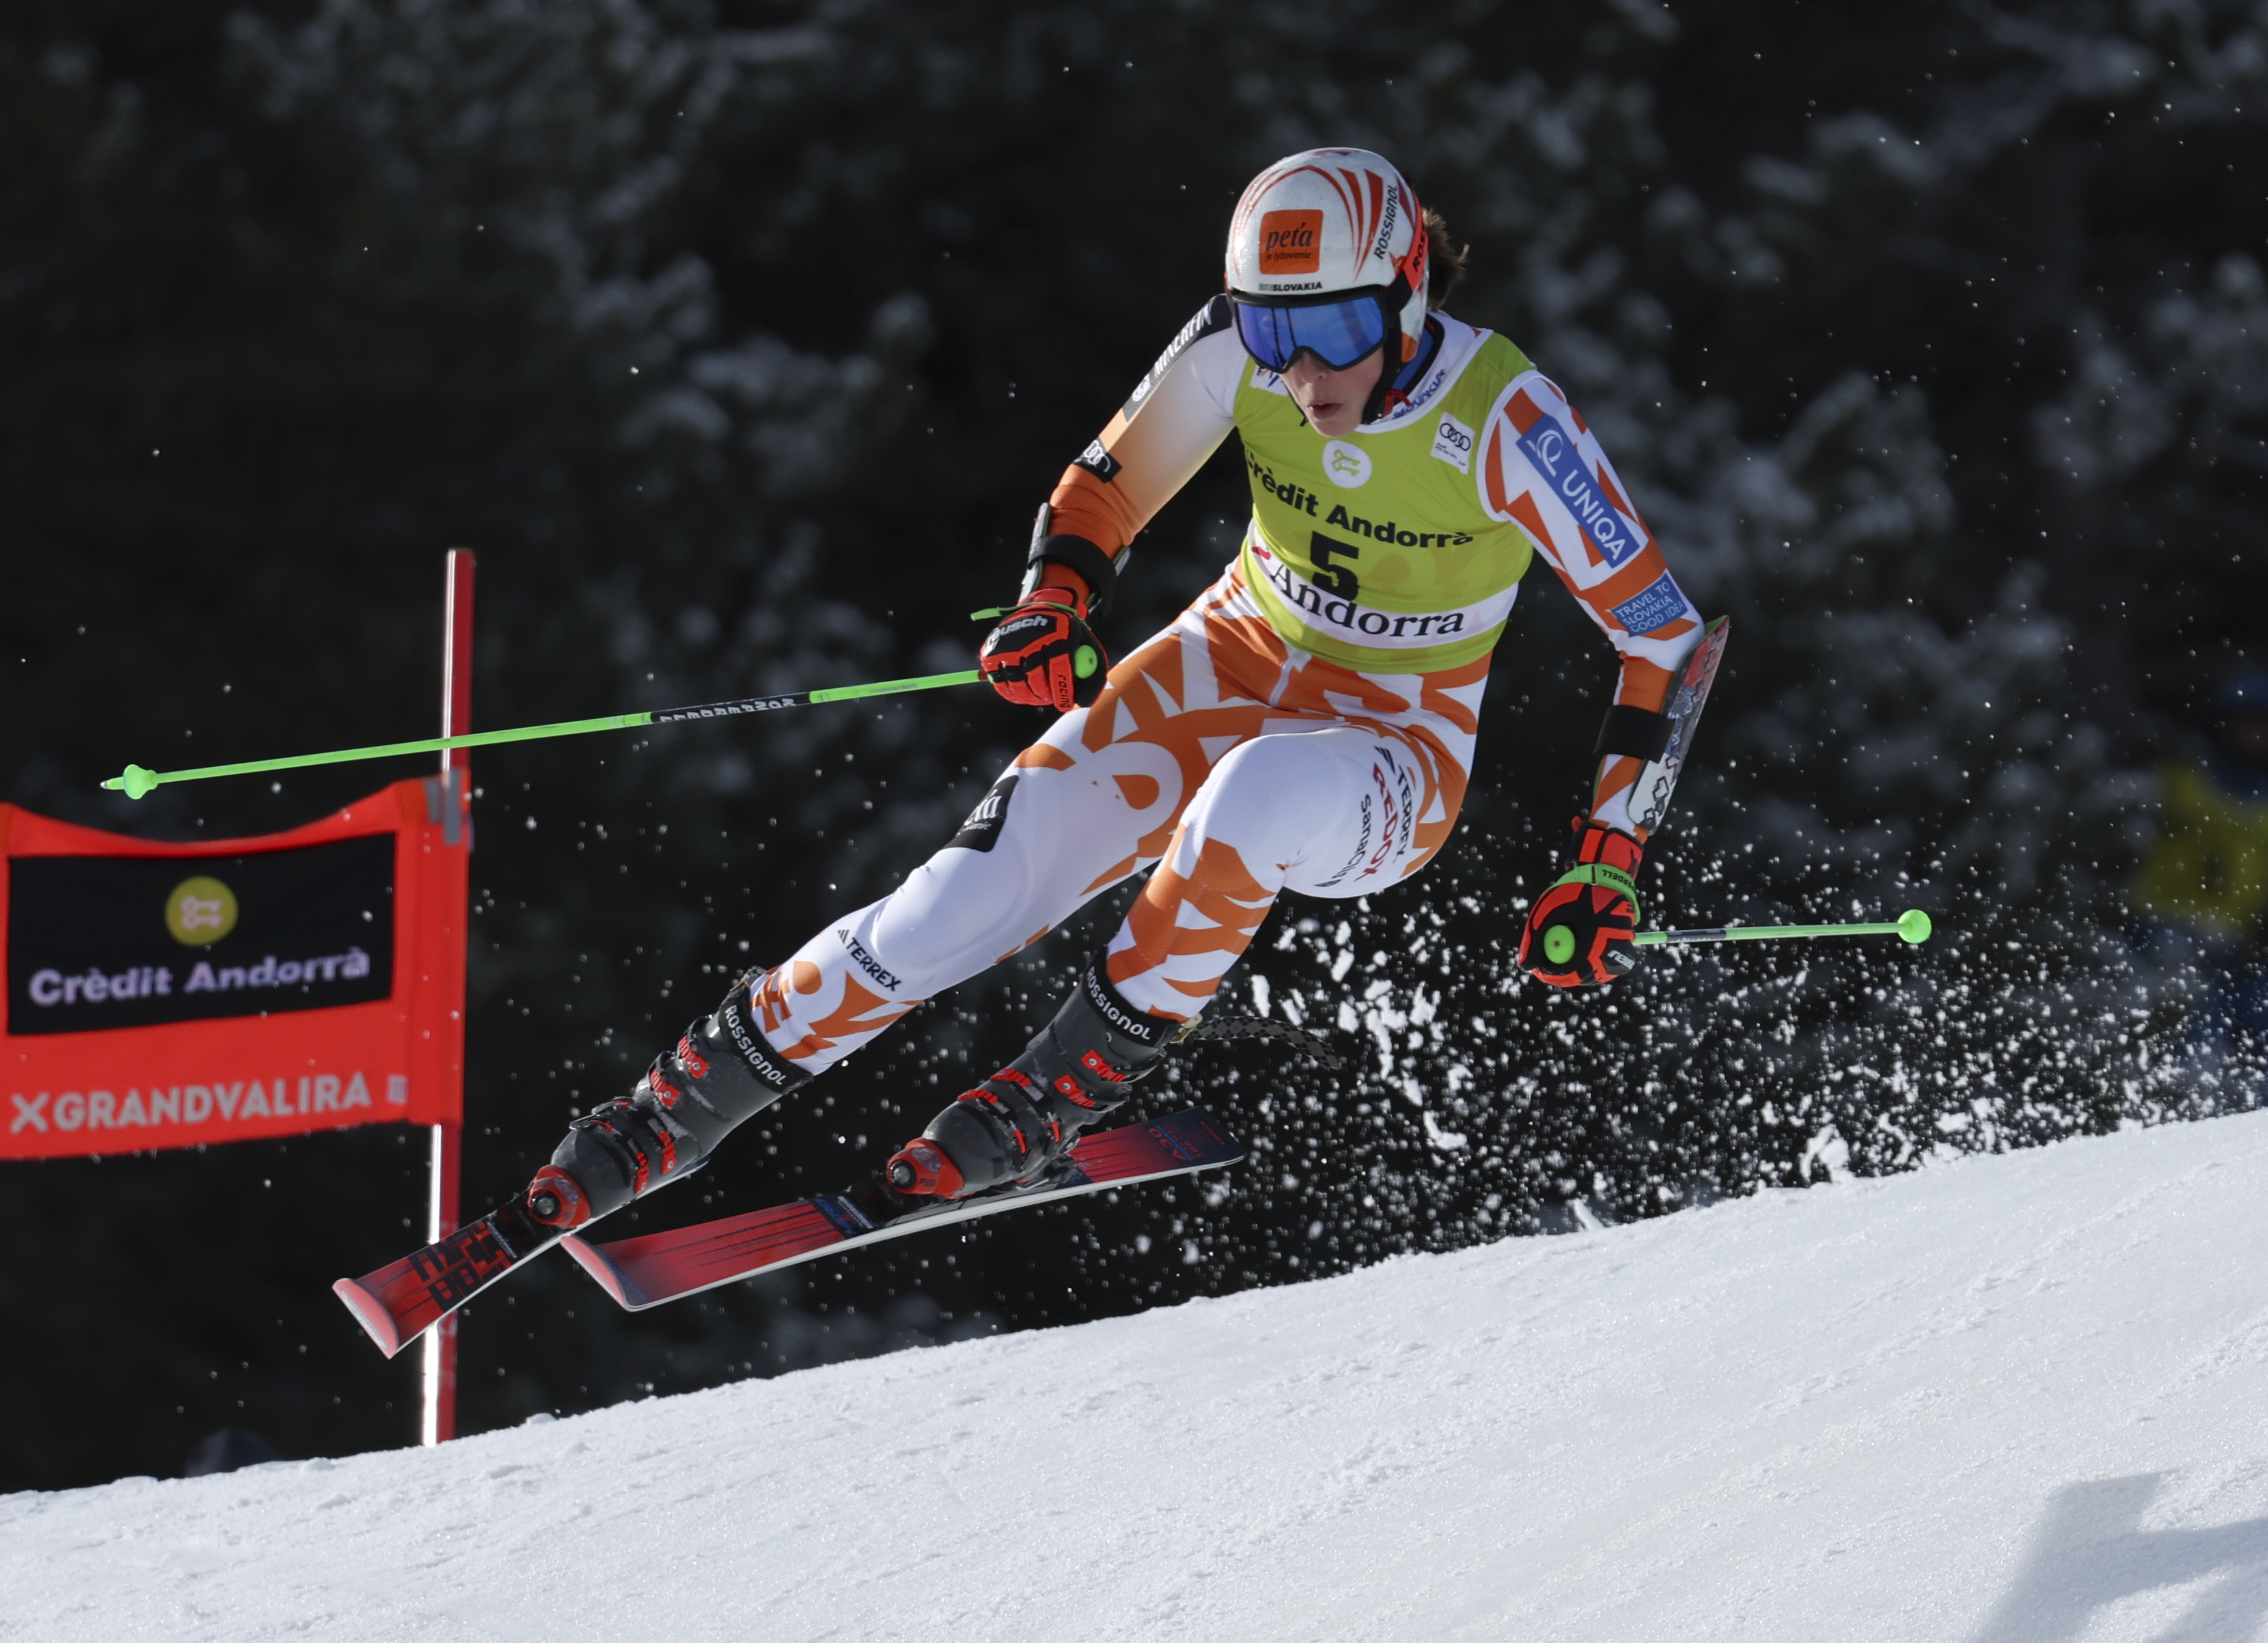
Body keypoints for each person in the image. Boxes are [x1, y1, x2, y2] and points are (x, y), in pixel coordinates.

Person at [505, 147, 1709, 1240]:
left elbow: (1663, 638)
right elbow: (1105, 485)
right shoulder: (1240, 350)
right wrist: (1054, 600)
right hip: (1227, 658)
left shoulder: (1503, 416)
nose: (1299, 371)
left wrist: (1606, 856)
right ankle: (680, 1103)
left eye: (1340, 327)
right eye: (1269, 328)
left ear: (1408, 295)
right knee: (957, 898)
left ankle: (1061, 1085)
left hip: (1389, 744)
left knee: (1252, 798)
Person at [2133, 668, 2268, 1109]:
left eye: (2264, 725)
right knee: (2195, 1027)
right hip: (2167, 936)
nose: (2254, 735)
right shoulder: (2177, 781)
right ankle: (2179, 1118)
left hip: (2246, 950)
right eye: (2243, 722)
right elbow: (2123, 845)